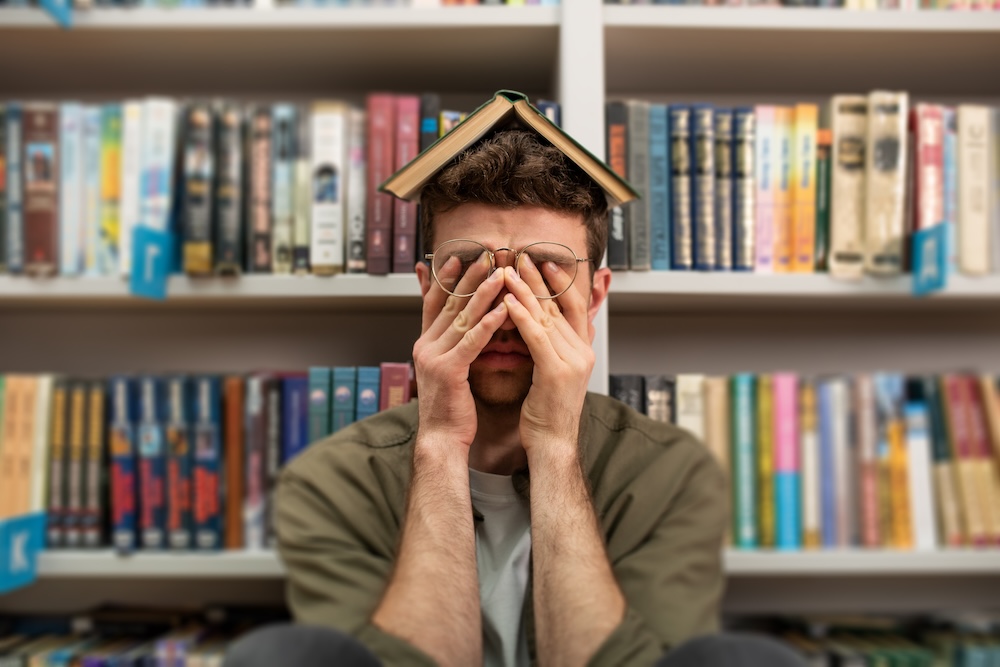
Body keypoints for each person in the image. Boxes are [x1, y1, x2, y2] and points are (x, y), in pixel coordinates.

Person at [224, 101, 805, 667]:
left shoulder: (671, 472)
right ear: (427, 289)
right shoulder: (330, 482)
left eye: (543, 273)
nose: (504, 309)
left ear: (596, 296)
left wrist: (554, 443)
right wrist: (442, 439)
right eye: (470, 272)